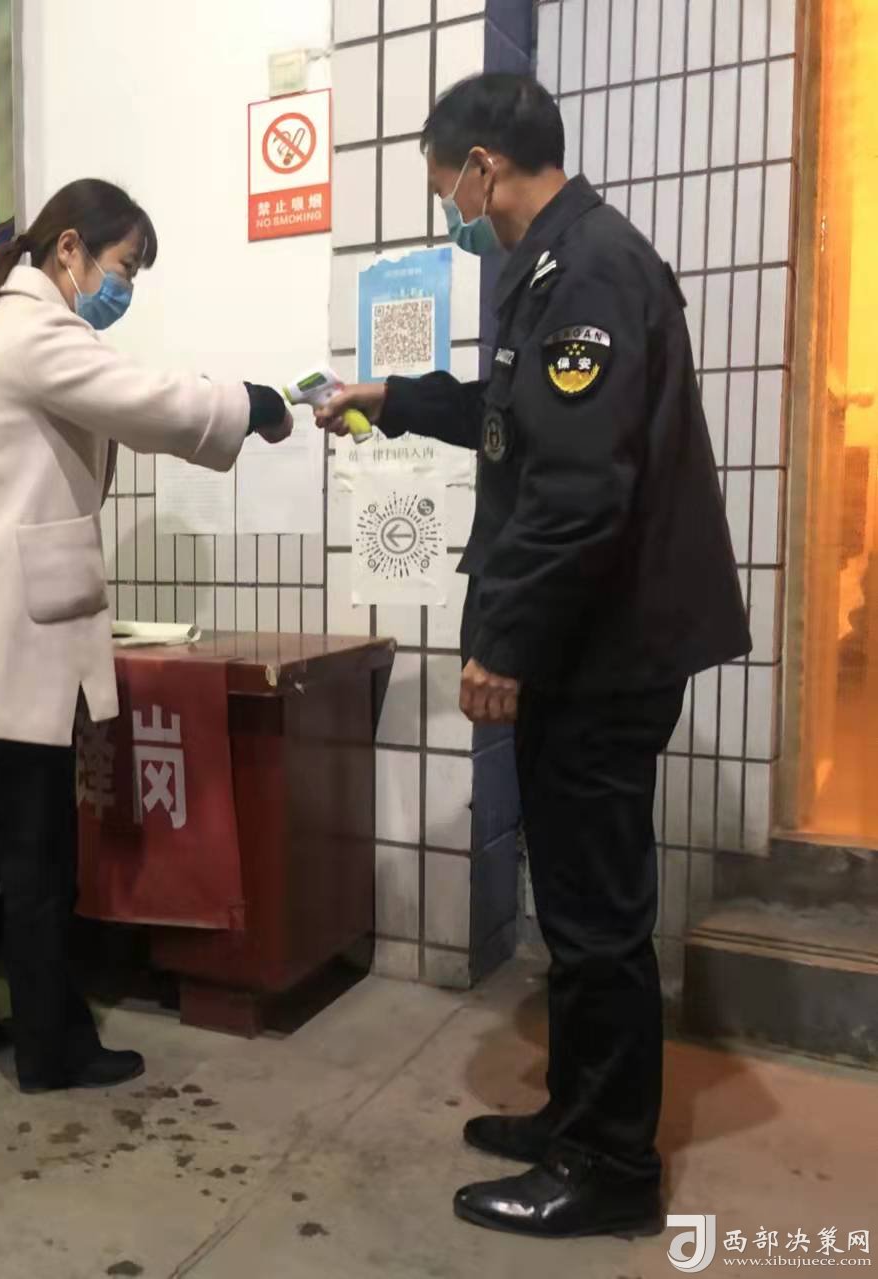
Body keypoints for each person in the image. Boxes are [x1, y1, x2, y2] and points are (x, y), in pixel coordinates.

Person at [315, 73, 750, 1238]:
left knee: (595, 913)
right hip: (591, 640)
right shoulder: (552, 266)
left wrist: (499, 641)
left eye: (442, 187)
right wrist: (388, 397)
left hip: (601, 649)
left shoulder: (587, 271)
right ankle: (575, 1114)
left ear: (482, 167)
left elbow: (574, 492)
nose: (446, 212)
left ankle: (609, 1170)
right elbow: (511, 416)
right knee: (574, 899)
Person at [0, 178, 294, 1094]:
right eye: (124, 266)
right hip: (7, 647)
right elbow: (146, 401)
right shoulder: (34, 331)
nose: (126, 289)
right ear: (69, 248)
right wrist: (255, 402)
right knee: (37, 857)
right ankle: (54, 1049)